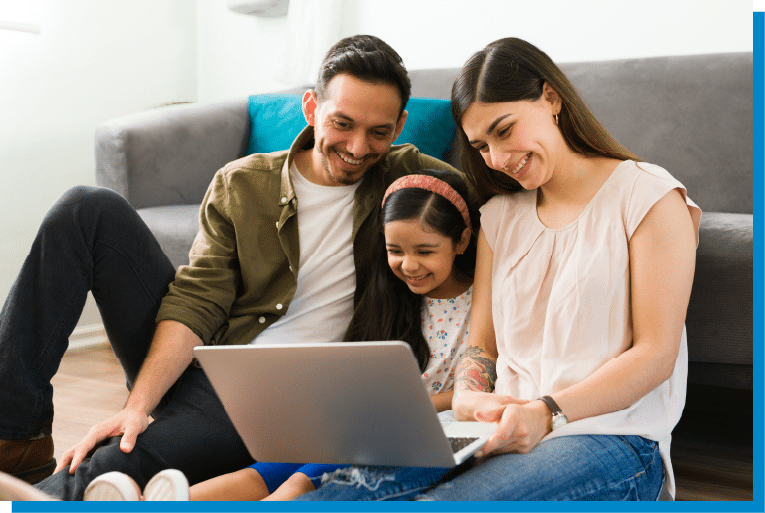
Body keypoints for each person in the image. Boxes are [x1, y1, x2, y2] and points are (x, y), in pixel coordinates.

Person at [0, 35, 463, 500]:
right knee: (86, 209)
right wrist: (138, 405)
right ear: (310, 107)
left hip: (277, 404)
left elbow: (502, 210)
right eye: (341, 123)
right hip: (205, 354)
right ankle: (15, 436)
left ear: (401, 125)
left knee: (108, 464)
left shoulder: (414, 182)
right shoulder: (243, 183)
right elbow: (197, 300)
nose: (358, 147)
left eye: (379, 132)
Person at [294, 37, 701, 501]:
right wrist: (468, 396)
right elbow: (481, 347)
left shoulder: (648, 196)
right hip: (495, 427)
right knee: (339, 492)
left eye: (504, 130)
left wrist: (547, 412)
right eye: (481, 146)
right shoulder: (500, 216)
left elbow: (655, 354)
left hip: (610, 435)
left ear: (551, 97)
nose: (498, 160)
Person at [80, 168, 480, 501]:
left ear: (461, 240)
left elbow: (475, 388)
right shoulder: (389, 297)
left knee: (296, 483)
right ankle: (153, 501)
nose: (408, 265)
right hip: (364, 422)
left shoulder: (481, 304)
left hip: (429, 430)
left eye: (425, 251)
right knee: (263, 472)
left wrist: (407, 406)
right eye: (396, 250)